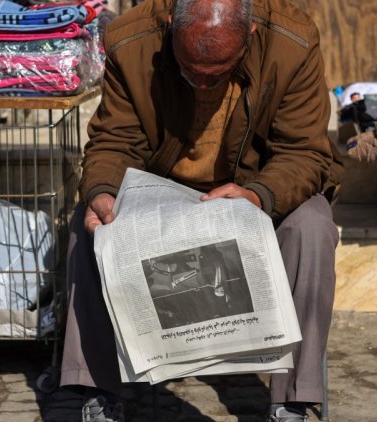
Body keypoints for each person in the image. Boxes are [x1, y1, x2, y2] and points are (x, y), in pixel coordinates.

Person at [60, 0, 344, 421]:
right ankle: (100, 393)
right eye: (190, 70)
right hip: (162, 186)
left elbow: (304, 152)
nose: (202, 85)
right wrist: (101, 189)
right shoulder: (130, 38)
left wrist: (259, 194)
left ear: (249, 36)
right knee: (91, 224)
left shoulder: (293, 42)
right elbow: (114, 141)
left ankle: (293, 402)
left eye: (218, 73)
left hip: (255, 185)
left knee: (313, 226)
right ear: (172, 27)